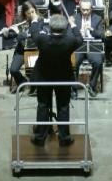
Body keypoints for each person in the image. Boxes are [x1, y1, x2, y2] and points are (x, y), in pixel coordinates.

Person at [31, 15, 80, 146]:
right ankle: (64, 138)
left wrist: (36, 20)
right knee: (63, 107)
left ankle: (40, 137)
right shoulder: (70, 41)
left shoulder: (42, 39)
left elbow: (34, 32)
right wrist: (73, 24)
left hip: (44, 77)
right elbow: (79, 38)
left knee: (43, 105)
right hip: (63, 78)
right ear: (65, 28)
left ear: (50, 27)